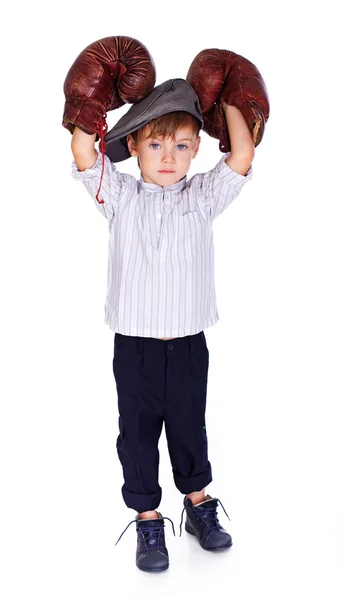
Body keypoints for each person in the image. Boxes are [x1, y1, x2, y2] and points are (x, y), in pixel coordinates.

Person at [70, 76, 255, 572]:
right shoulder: (122, 197)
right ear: (133, 145)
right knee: (137, 432)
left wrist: (232, 101)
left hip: (190, 345)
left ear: (196, 148)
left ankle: (198, 506)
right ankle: (149, 520)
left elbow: (240, 156)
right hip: (136, 349)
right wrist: (91, 107)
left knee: (190, 429)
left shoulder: (203, 197)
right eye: (154, 143)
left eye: (180, 144)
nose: (168, 155)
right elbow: (85, 152)